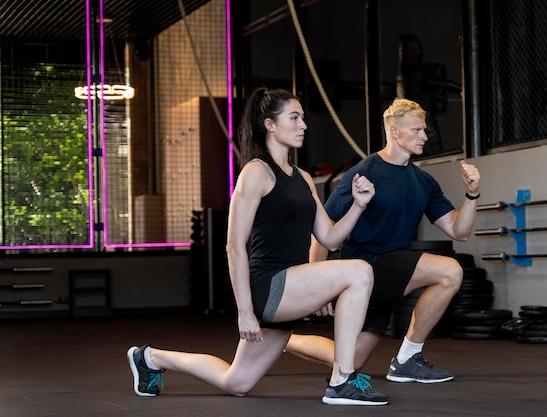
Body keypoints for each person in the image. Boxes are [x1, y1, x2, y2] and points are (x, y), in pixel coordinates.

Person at [126, 87, 389, 406]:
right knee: (360, 271)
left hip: (291, 286)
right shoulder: (255, 173)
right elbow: (234, 246)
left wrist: (359, 206)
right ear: (269, 124)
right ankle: (342, 379)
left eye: (303, 118)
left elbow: (330, 238)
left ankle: (150, 358)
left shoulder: (303, 178)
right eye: (294, 118)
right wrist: (245, 312)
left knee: (236, 382)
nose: (303, 125)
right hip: (269, 287)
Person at [286, 97, 481, 384]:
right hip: (364, 266)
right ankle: (407, 359)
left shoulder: (423, 182)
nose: (424, 136)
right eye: (416, 130)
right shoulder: (364, 172)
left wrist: (472, 195)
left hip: (392, 270)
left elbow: (458, 230)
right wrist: (318, 283)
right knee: (450, 270)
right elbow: (323, 229)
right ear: (394, 131)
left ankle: (277, 339)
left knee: (349, 358)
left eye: (424, 130)